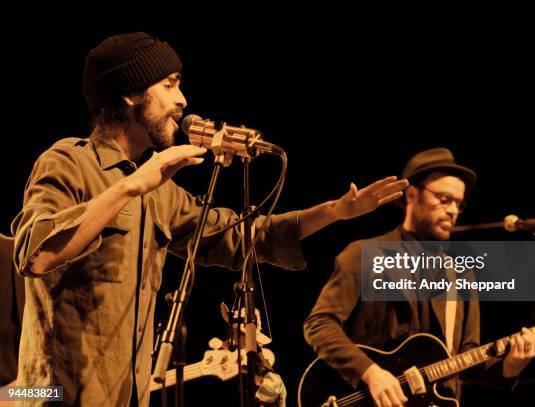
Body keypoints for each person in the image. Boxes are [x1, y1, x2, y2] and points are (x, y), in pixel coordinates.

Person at [10, 32, 408, 406]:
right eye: (169, 84)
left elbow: (238, 237)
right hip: (49, 395)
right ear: (131, 93)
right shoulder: (68, 161)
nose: (182, 99)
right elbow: (35, 255)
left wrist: (335, 212)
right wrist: (130, 186)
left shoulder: (160, 189)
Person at [303, 147, 535, 407]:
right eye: (444, 198)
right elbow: (319, 324)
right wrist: (370, 372)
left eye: (459, 203)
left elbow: (467, 355)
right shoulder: (363, 255)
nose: (453, 211)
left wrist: (509, 367)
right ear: (412, 194)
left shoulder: (460, 274)